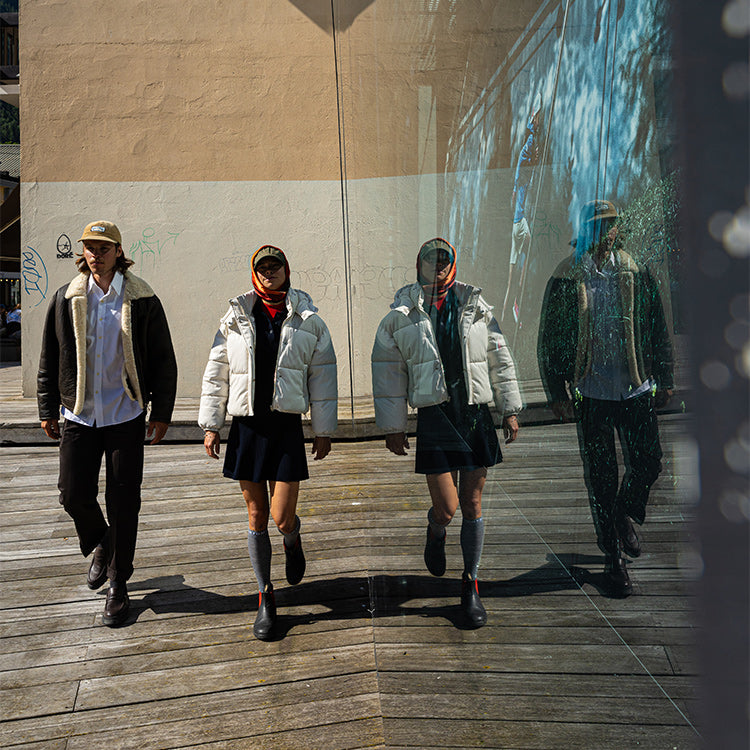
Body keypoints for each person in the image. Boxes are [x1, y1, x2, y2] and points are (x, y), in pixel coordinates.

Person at [371, 238, 522, 628]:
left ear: (452, 263)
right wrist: (394, 425)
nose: (437, 266)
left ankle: (470, 585)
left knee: (472, 506)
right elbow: (389, 372)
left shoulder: (477, 304)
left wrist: (509, 408)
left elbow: (498, 357)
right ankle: (435, 529)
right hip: (435, 416)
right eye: (429, 260)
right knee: (448, 508)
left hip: (473, 414)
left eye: (444, 259)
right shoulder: (402, 314)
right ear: (417, 265)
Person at [37, 220, 177, 626]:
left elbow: (163, 359)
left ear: (118, 251)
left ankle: (119, 583)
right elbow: (50, 356)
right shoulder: (67, 297)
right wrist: (48, 407)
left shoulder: (142, 298)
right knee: (71, 493)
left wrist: (162, 412)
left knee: (124, 502)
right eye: (89, 247)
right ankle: (102, 539)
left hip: (125, 414)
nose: (95, 254)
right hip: (79, 414)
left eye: (103, 247)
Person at [199, 245, 337, 641]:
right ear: (253, 273)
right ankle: (265, 595)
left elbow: (322, 376)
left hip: (286, 426)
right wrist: (212, 425)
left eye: (275, 266)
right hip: (248, 427)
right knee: (256, 517)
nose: (269, 272)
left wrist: (323, 429)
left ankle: (293, 539)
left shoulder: (308, 320)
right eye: (262, 267)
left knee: (281, 518)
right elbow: (217, 371)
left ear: (286, 271)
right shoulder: (236, 315)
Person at [537, 199, 674, 597]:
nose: (605, 233)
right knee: (601, 476)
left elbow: (657, 326)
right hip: (591, 391)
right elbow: (551, 337)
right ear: (585, 232)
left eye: (610, 225)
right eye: (597, 226)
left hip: (635, 387)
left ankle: (619, 517)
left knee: (649, 463)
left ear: (617, 230)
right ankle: (615, 562)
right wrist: (555, 390)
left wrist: (664, 374)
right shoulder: (567, 277)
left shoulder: (636, 269)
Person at [501, 97, 542, 324]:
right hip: (522, 221)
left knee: (510, 278)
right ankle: (518, 302)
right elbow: (526, 165)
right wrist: (534, 133)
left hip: (516, 222)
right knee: (530, 240)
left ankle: (507, 314)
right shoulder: (527, 150)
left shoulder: (521, 178)